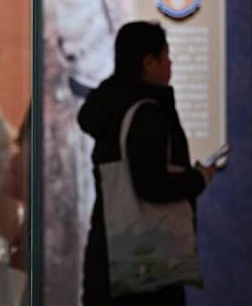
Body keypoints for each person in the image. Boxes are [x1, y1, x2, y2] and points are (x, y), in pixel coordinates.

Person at [77, 21, 219, 306]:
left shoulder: (111, 106)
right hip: (147, 268)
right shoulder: (146, 113)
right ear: (149, 63)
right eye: (166, 56)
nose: (171, 63)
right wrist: (198, 178)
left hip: (109, 254)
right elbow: (151, 185)